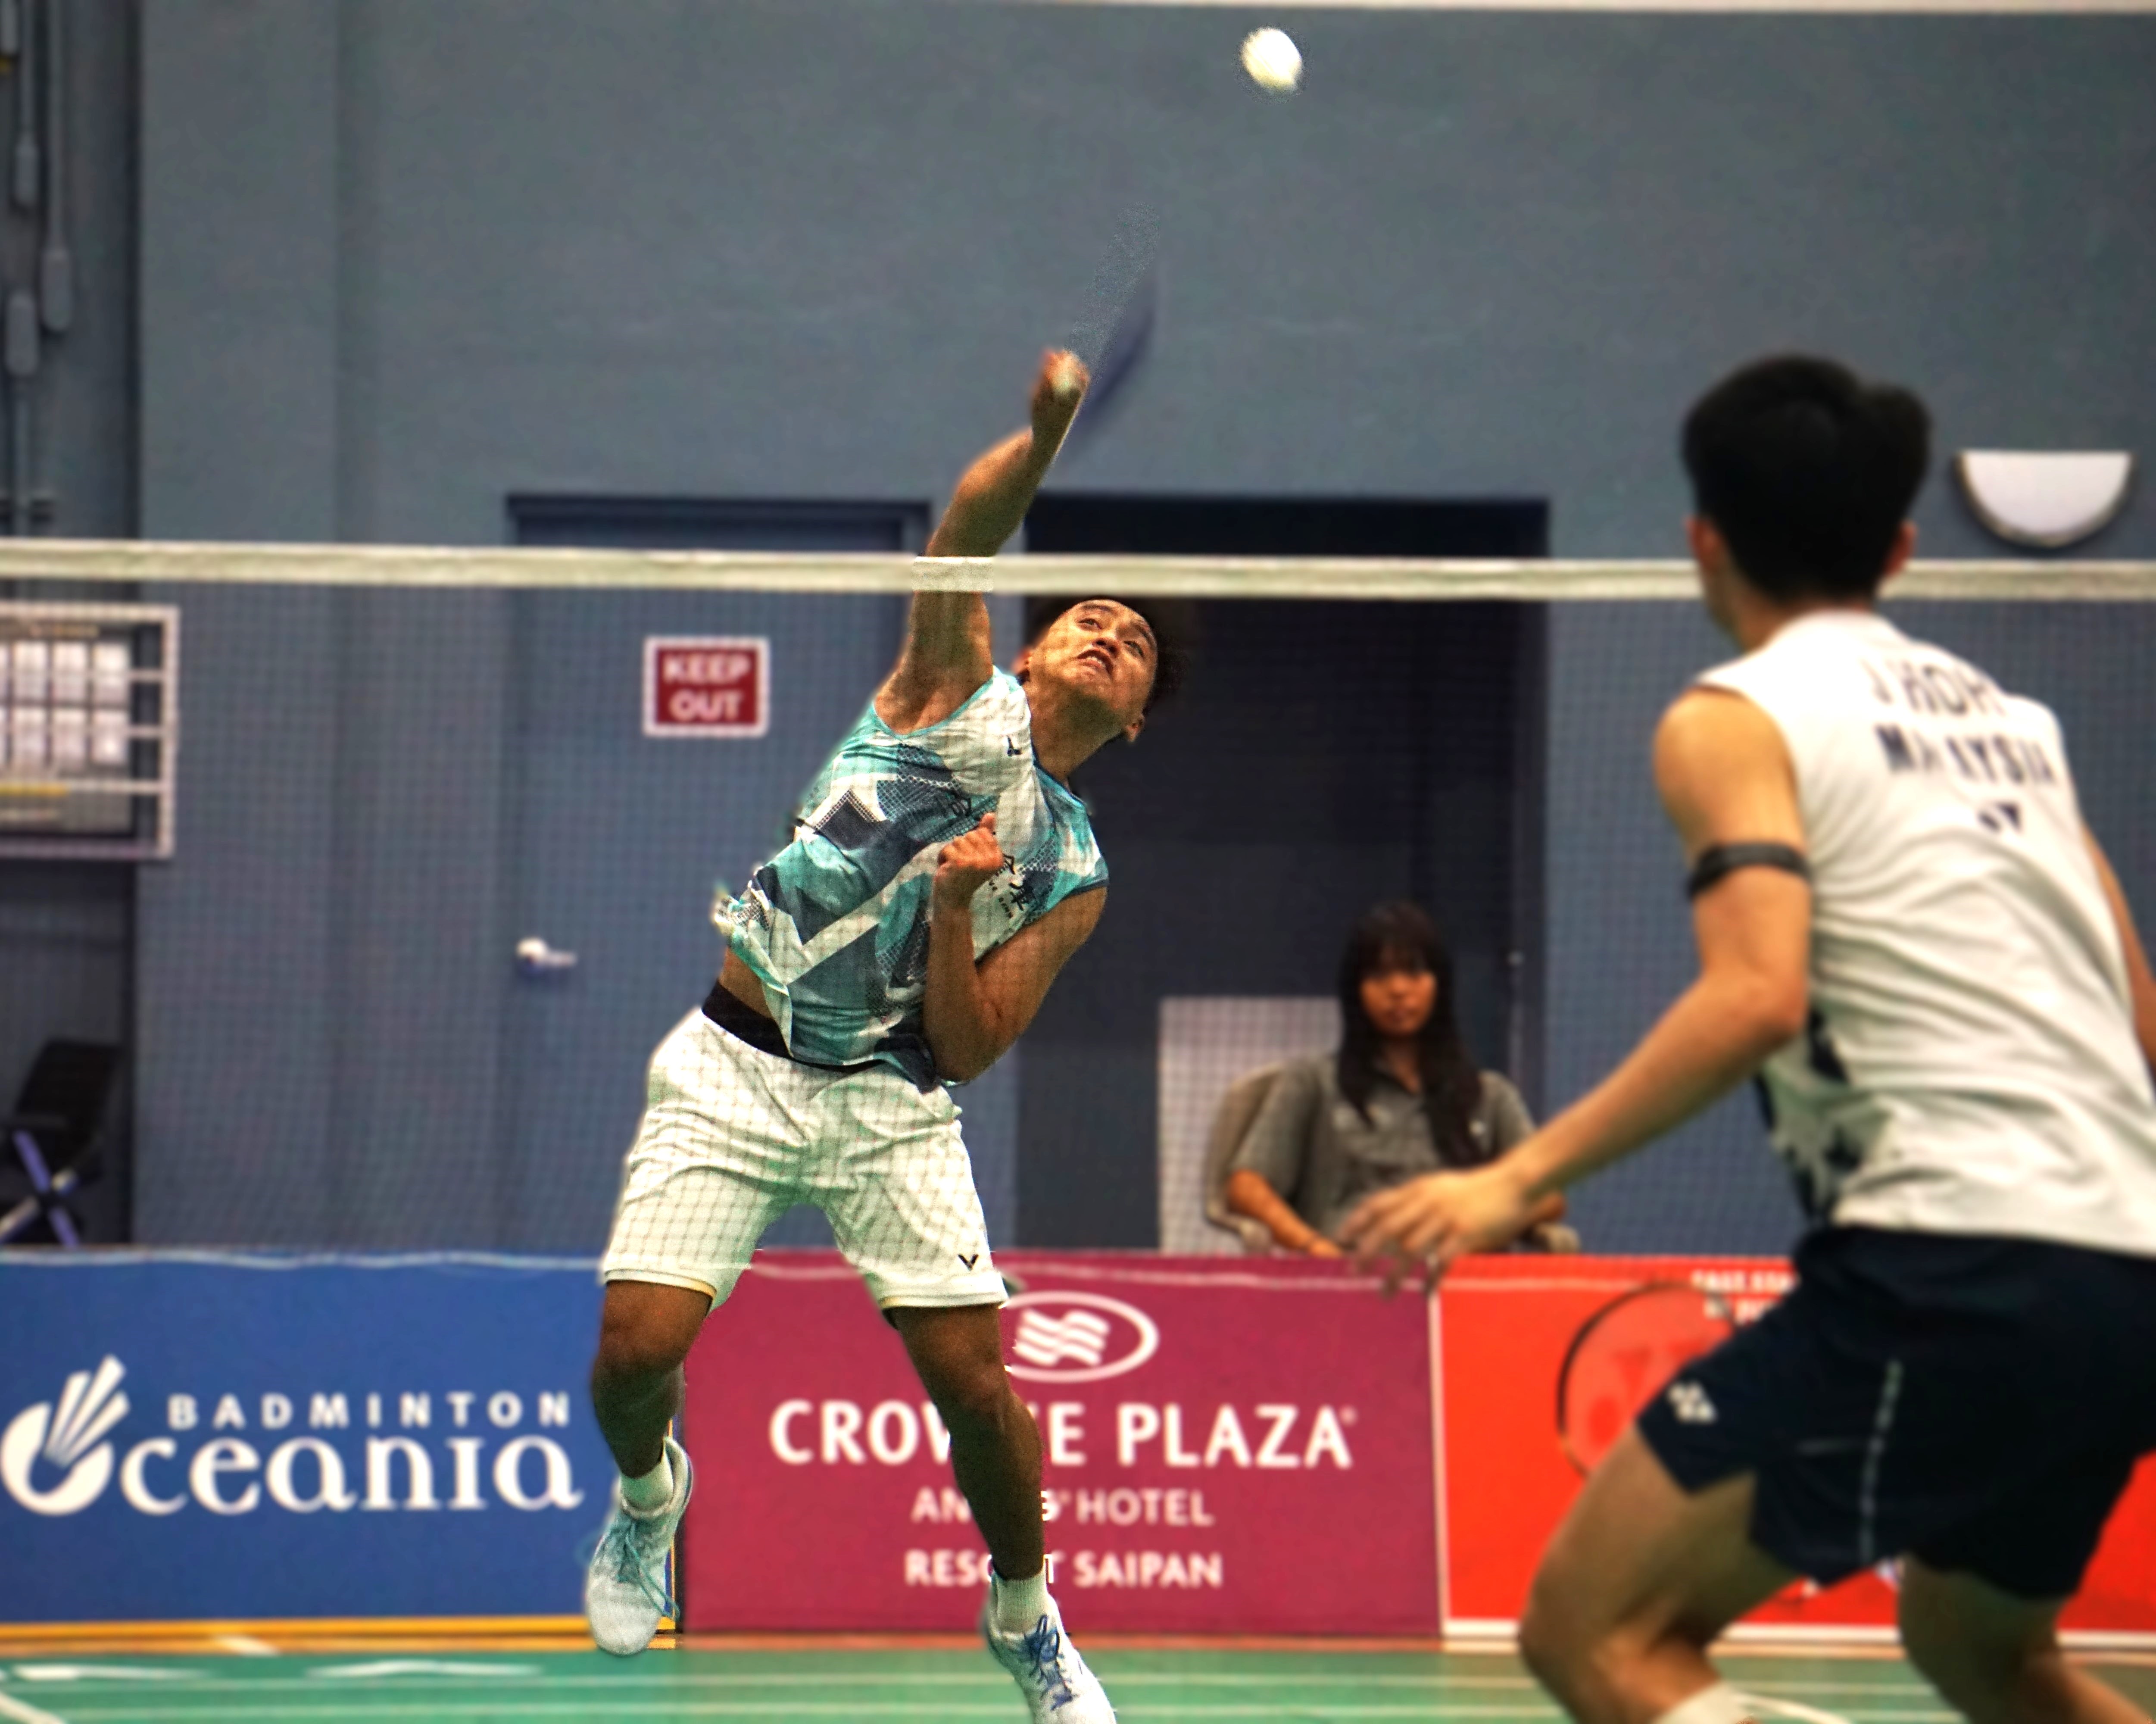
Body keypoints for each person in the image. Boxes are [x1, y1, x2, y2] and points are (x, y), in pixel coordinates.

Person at [1343, 355, 2156, 1724]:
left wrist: (1502, 1177)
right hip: (2124, 1272)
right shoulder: (2019, 732)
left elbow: (1754, 994)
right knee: (1983, 1657)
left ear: (1698, 539)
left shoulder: (1734, 717)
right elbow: (2130, 1010)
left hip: (1948, 1263)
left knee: (1592, 1632)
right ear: (1899, 547)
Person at [584, 349, 1181, 1723]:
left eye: (1132, 641)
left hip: (892, 1104)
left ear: (1135, 714)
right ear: (1033, 649)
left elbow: (969, 1050)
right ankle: (647, 1497)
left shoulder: (1074, 869)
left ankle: (1026, 1615)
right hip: (735, 1060)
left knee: (977, 1386)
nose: (1104, 633)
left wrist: (965, 907)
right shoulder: (942, 687)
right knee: (632, 1350)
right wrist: (1040, 438)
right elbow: (965, 535)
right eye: (1086, 616)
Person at [1224, 901, 1573, 1256]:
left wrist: (1479, 1227)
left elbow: (1547, 1196)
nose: (1398, 990)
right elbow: (1246, 1186)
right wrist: (1315, 1249)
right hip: (1350, 1279)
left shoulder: (1490, 1095)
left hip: (1459, 1282)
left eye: (1414, 973)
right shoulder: (1312, 1083)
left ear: (1440, 985)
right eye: (1378, 976)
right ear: (1355, 991)